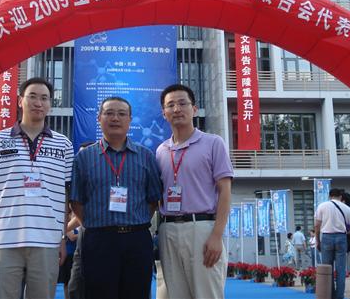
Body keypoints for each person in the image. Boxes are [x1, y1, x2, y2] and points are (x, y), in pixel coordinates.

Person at [0, 77, 74, 299]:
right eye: (32, 97)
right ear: (20, 101)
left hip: (47, 241)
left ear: (50, 104)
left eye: (44, 98)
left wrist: (61, 238)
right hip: (4, 239)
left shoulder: (64, 145)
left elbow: (65, 196)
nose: (38, 103)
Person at [71, 97, 162, 299]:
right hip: (98, 240)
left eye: (121, 114)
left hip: (137, 239)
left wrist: (133, 221)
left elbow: (153, 199)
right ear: (99, 118)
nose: (115, 118)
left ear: (130, 120)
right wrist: (97, 224)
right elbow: (76, 201)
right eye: (109, 113)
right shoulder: (84, 158)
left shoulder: (146, 156)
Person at [155, 84, 233, 299]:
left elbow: (225, 190)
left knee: (206, 294)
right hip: (168, 230)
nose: (177, 109)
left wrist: (216, 235)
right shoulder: (161, 151)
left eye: (182, 103)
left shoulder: (213, 143)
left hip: (202, 228)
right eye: (170, 105)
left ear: (194, 109)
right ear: (164, 113)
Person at [315, 188, 350, 299]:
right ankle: (339, 296)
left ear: (329, 196)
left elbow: (317, 225)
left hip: (327, 237)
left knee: (327, 269)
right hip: (341, 238)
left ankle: (330, 295)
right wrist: (349, 234)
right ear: (340, 196)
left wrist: (317, 240)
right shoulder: (346, 208)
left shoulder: (322, 206)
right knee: (341, 270)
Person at [67, 141, 93, 299]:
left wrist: (64, 229)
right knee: (75, 286)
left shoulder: (99, 178)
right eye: (79, 154)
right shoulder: (75, 178)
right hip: (82, 239)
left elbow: (86, 213)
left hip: (100, 236)